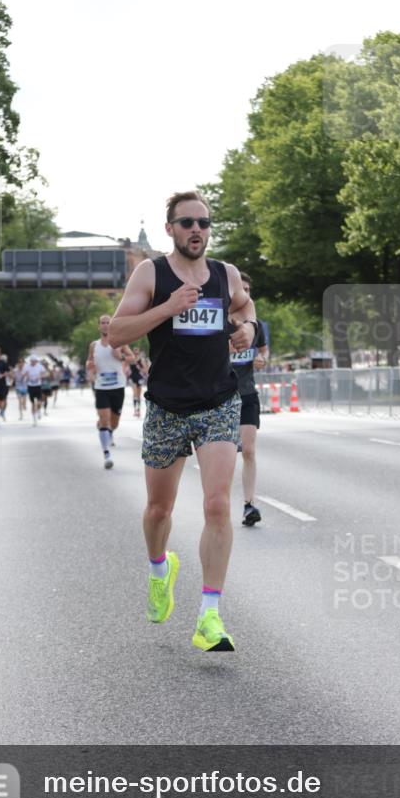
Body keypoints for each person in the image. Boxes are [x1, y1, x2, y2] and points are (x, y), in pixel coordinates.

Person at [109, 190, 257, 652]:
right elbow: (117, 332)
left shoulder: (225, 274)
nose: (197, 230)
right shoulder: (150, 273)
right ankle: (159, 568)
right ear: (170, 228)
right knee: (159, 512)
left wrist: (248, 327)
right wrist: (168, 308)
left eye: (204, 223)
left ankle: (209, 616)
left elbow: (245, 308)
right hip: (167, 405)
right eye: (187, 222)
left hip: (218, 401)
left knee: (217, 506)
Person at [230, 272, 270, 526]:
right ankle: (218, 504)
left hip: (246, 394)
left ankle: (248, 504)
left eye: (248, 289)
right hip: (220, 398)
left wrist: (261, 359)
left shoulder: (257, 326)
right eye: (240, 289)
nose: (244, 293)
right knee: (223, 458)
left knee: (249, 450)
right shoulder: (217, 322)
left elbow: (264, 352)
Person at [86, 315, 135, 469]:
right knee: (104, 419)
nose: (106, 325)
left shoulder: (120, 342)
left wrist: (120, 356)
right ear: (99, 326)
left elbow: (133, 358)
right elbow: (89, 361)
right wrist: (89, 366)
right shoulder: (94, 345)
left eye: (108, 323)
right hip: (101, 387)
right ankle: (106, 453)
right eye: (103, 323)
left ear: (112, 326)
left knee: (114, 423)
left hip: (118, 387)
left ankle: (108, 431)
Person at [23, 354, 45, 425]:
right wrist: (26, 375)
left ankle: (38, 410)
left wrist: (40, 376)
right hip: (30, 386)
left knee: (39, 402)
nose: (33, 362)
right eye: (32, 361)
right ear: (30, 361)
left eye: (35, 361)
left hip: (38, 385)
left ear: (36, 361)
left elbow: (45, 373)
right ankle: (34, 419)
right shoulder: (26, 367)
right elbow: (23, 375)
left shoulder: (40, 366)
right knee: (33, 403)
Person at [128, 348, 149, 417]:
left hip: (139, 377)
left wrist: (141, 369)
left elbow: (146, 369)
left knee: (139, 395)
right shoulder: (131, 359)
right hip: (132, 377)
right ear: (133, 352)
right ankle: (135, 410)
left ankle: (138, 410)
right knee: (135, 393)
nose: (136, 352)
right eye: (135, 351)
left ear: (138, 352)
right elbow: (127, 365)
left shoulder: (141, 360)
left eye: (137, 351)